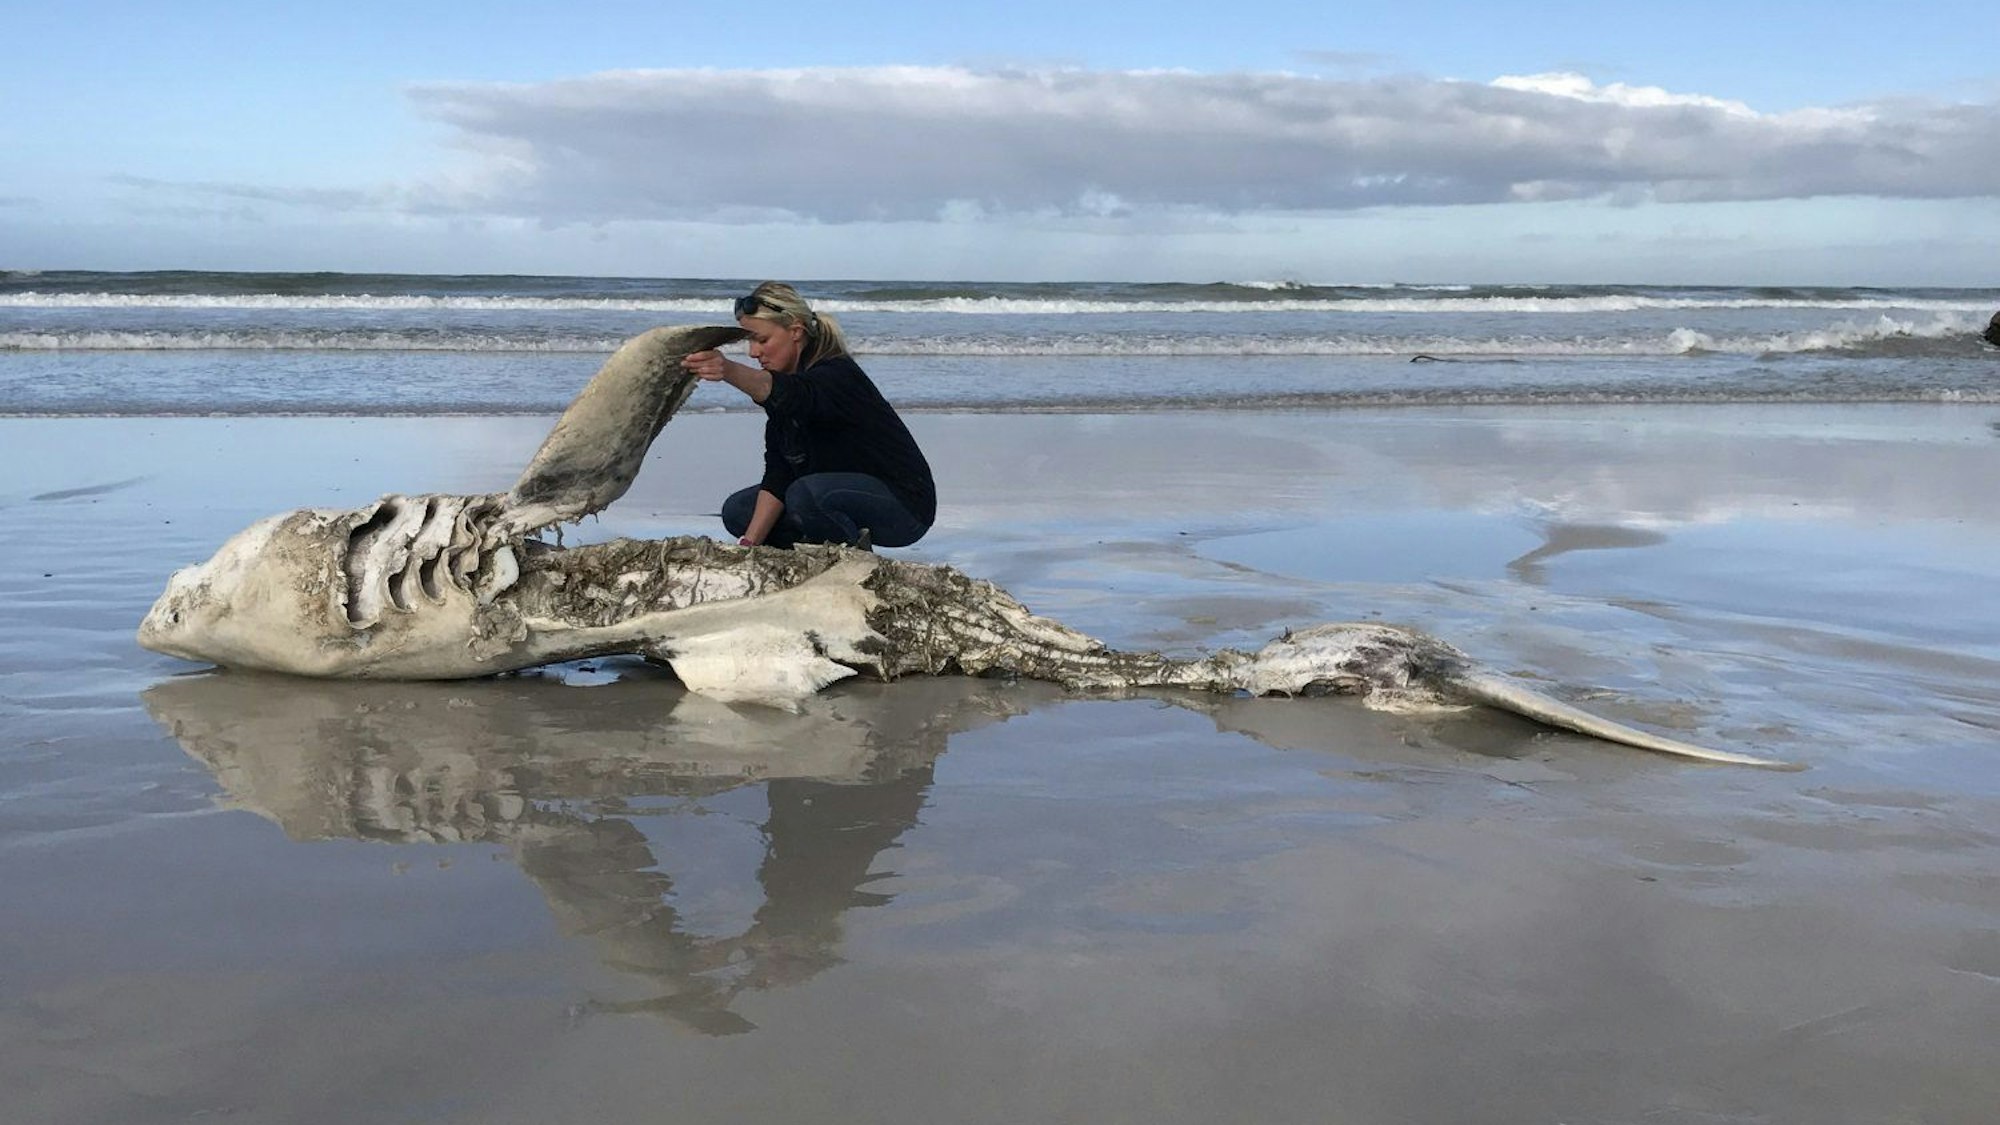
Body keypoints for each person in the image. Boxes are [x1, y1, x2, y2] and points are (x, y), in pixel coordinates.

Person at [682, 282, 935, 549]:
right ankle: (807, 558)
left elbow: (792, 394)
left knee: (805, 495)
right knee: (739, 511)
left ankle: (853, 565)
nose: (753, 352)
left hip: (905, 508)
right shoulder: (786, 392)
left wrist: (728, 370)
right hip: (828, 495)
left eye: (762, 340)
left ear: (795, 332)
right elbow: (779, 474)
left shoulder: (836, 375)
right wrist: (749, 543)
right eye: (750, 341)